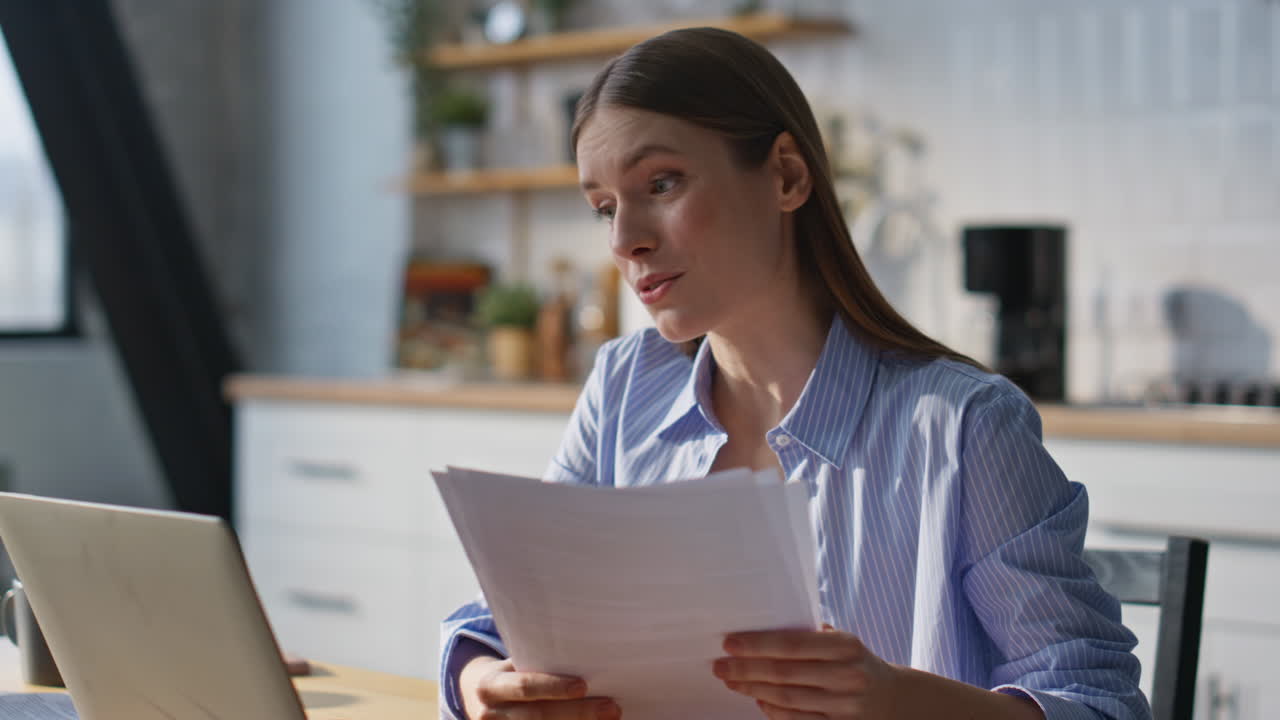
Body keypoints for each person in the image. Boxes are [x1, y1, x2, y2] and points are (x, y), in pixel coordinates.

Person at [439, 26, 1149, 720]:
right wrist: (482, 688)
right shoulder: (626, 388)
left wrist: (900, 703)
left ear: (786, 174)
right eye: (604, 208)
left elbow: (1100, 704)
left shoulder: (963, 427)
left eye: (661, 182)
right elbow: (506, 621)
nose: (627, 240)